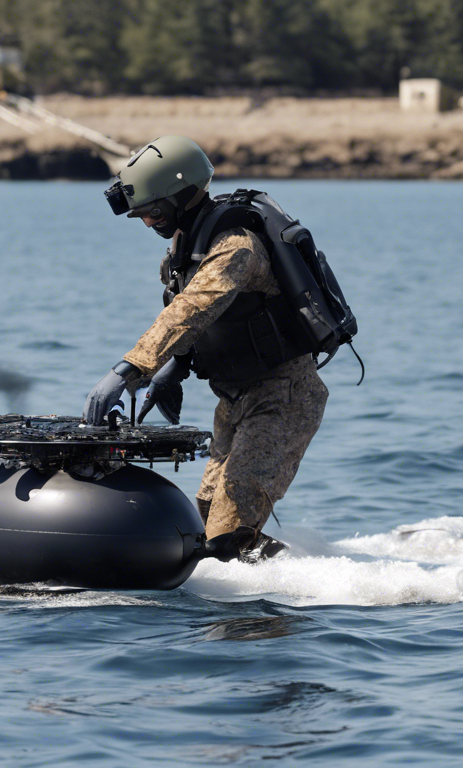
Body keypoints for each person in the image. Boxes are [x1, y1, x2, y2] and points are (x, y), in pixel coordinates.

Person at [82, 135, 333, 563]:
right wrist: (174, 368)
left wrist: (129, 370)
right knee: (201, 520)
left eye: (154, 212)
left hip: (282, 398)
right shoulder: (187, 246)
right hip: (234, 399)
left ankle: (293, 595)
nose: (149, 223)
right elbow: (200, 314)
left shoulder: (236, 246)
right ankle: (271, 571)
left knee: (227, 534)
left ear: (183, 194)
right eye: (142, 216)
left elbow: (194, 308)